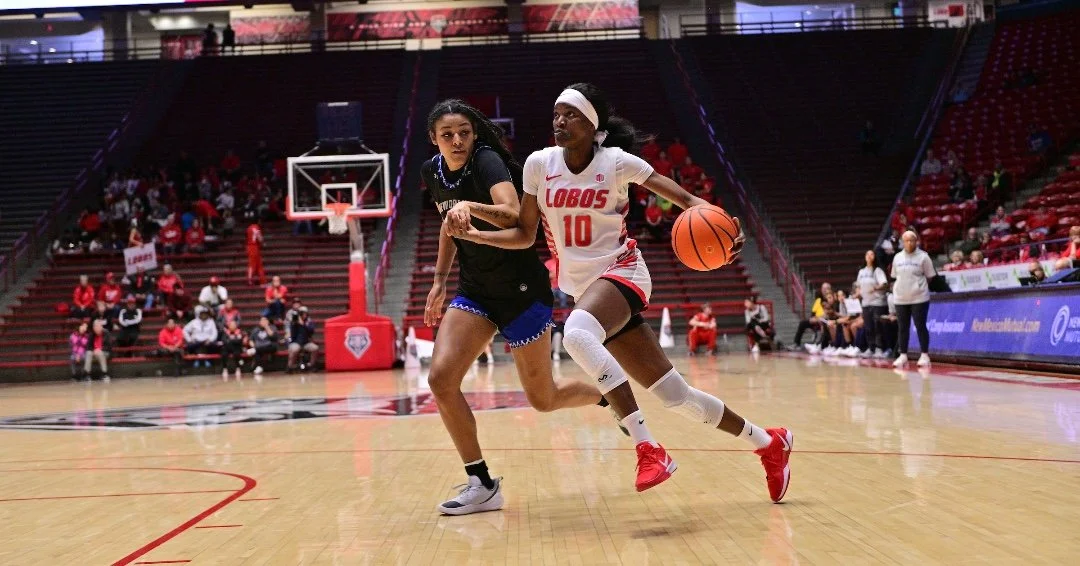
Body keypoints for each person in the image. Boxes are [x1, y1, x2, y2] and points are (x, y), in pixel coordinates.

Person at [449, 83, 793, 504]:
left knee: (575, 334)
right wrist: (477, 233)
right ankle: (769, 443)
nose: (559, 121)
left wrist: (725, 228)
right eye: (555, 113)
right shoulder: (539, 164)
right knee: (675, 395)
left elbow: (685, 198)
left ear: (591, 122)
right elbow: (524, 235)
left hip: (622, 271)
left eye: (570, 114)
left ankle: (648, 449)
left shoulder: (616, 163)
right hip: (584, 288)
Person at [420, 99, 621, 515]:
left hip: (523, 290)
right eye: (447, 135)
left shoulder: (487, 161)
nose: (457, 140)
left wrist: (470, 207)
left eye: (464, 132)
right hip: (476, 291)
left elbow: (514, 216)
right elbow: (447, 223)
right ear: (433, 139)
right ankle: (482, 483)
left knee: (544, 400)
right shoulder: (432, 172)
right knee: (440, 380)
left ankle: (610, 397)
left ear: (474, 135)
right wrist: (439, 281)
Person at [891, 230, 935, 367]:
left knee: (920, 326)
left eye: (912, 240)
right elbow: (894, 276)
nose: (909, 243)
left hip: (919, 298)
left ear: (916, 241)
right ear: (903, 242)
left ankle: (924, 355)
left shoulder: (924, 257)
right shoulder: (897, 257)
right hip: (900, 298)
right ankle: (903, 355)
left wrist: (919, 287)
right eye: (906, 240)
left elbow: (930, 276)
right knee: (903, 327)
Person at [856, 250, 889, 358]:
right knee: (868, 326)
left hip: (877, 302)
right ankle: (871, 348)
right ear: (865, 257)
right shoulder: (861, 272)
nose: (869, 256)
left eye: (872, 254)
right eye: (867, 254)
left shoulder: (877, 271)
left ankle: (880, 348)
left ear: (874, 257)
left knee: (877, 326)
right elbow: (858, 287)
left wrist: (874, 288)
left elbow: (884, 284)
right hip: (866, 302)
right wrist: (857, 294)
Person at [287, 308, 319, 373]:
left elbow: (311, 331)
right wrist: (295, 323)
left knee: (315, 348)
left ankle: (311, 365)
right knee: (295, 349)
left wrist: (303, 324)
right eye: (302, 314)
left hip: (306, 343)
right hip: (296, 342)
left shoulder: (309, 322)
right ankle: (290, 366)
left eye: (305, 313)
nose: (304, 315)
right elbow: (293, 334)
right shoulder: (294, 322)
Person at [246, 219, 266, 286]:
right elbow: (260, 238)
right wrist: (263, 243)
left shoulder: (248, 228)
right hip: (254, 247)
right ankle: (250, 280)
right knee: (253, 264)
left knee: (258, 265)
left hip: (250, 246)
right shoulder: (256, 227)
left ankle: (262, 281)